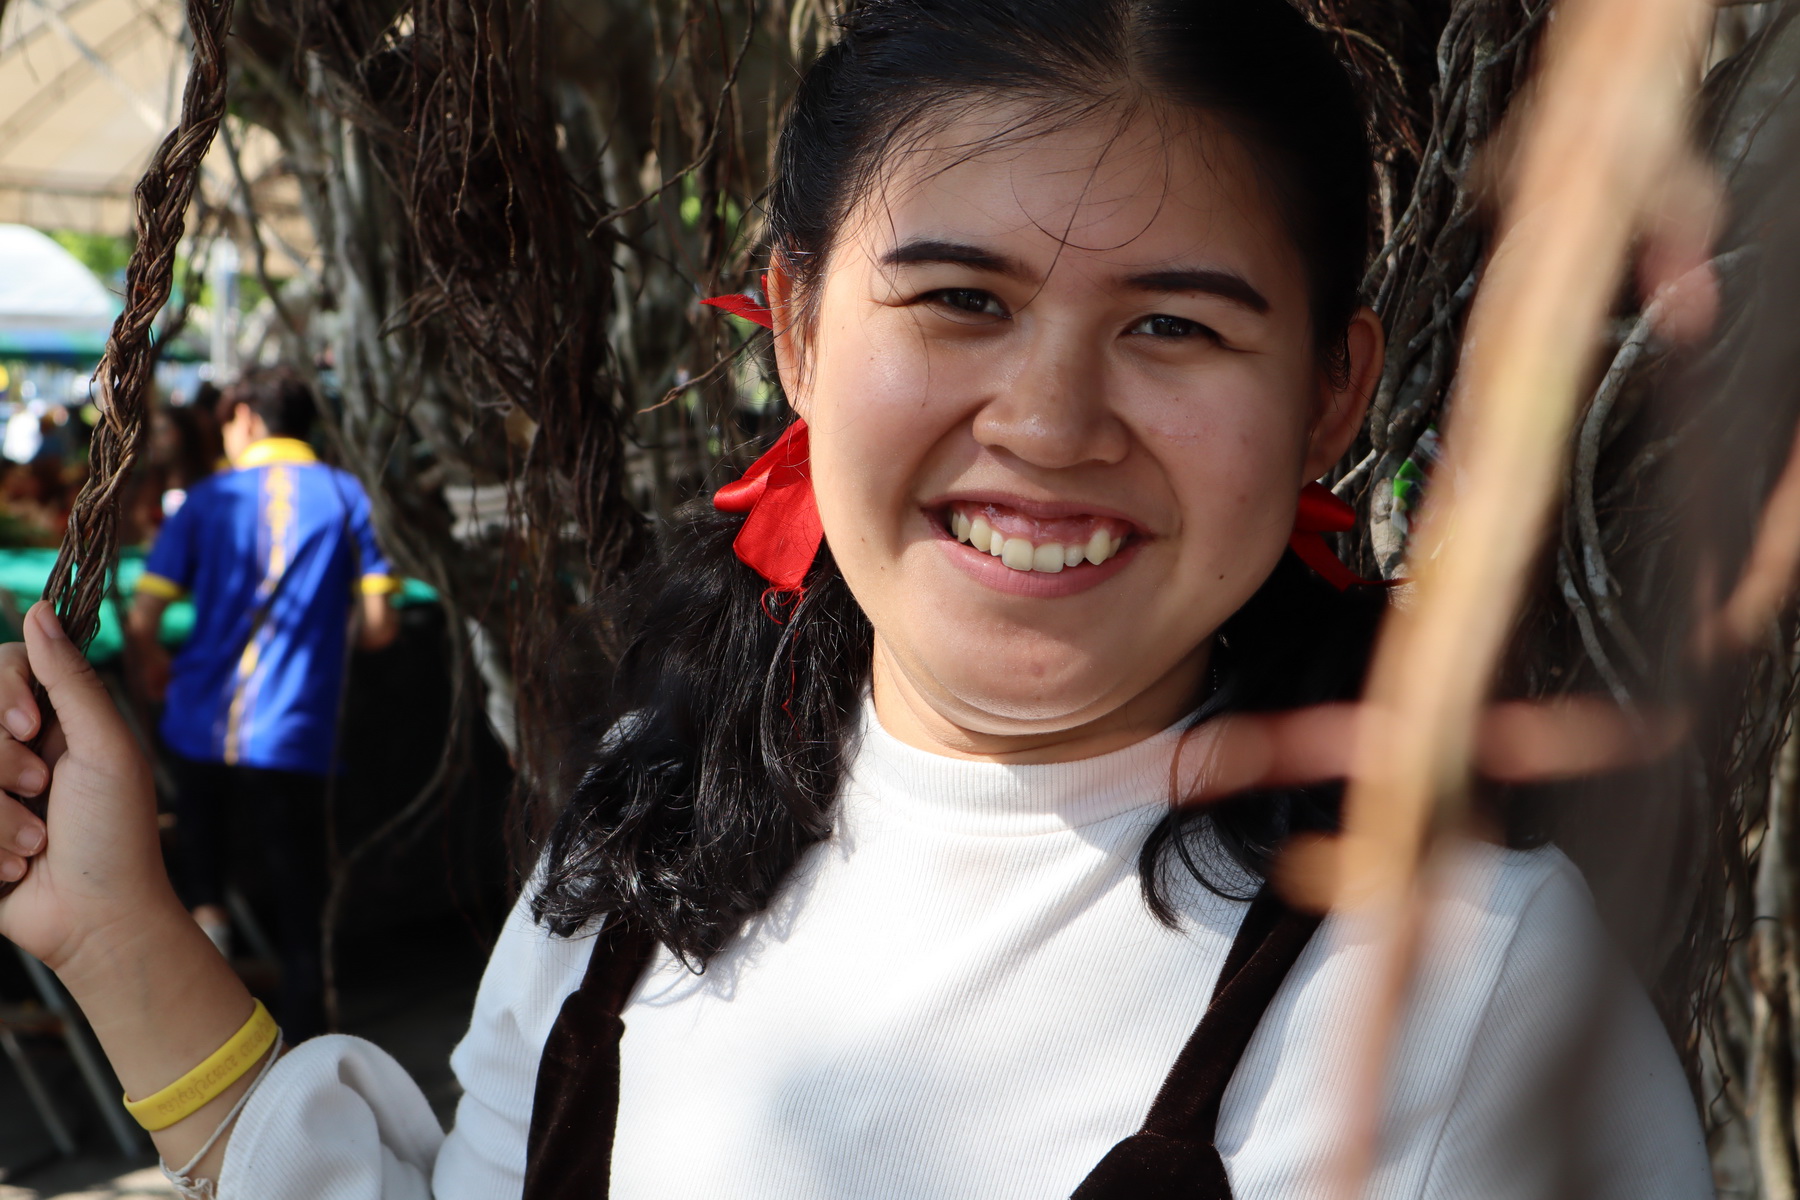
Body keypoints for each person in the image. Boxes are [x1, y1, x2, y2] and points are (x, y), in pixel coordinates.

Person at [0, 3, 1714, 1198]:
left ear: (1334, 396)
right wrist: (116, 934)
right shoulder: (647, 840)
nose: (1051, 424)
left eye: (1174, 326)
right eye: (962, 300)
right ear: (801, 332)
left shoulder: (1467, 989)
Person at [122, 365, 401, 1041]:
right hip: (296, 729)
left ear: (245, 417)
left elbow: (142, 619)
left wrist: (151, 669)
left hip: (199, 724)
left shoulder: (209, 499)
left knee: (201, 884)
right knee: (300, 901)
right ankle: (309, 1049)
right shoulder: (346, 496)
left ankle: (197, 1031)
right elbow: (380, 628)